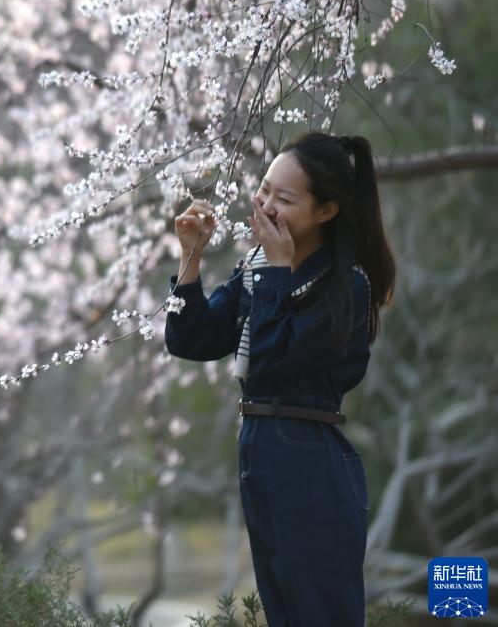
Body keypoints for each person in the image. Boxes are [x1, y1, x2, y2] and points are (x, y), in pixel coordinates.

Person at [165, 133, 396, 627]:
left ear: (326, 211)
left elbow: (271, 359)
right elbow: (192, 340)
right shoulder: (257, 269)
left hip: (308, 456)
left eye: (285, 199)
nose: (266, 205)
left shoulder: (346, 285)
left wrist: (276, 270)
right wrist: (191, 257)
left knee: (318, 612)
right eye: (265, 189)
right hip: (261, 449)